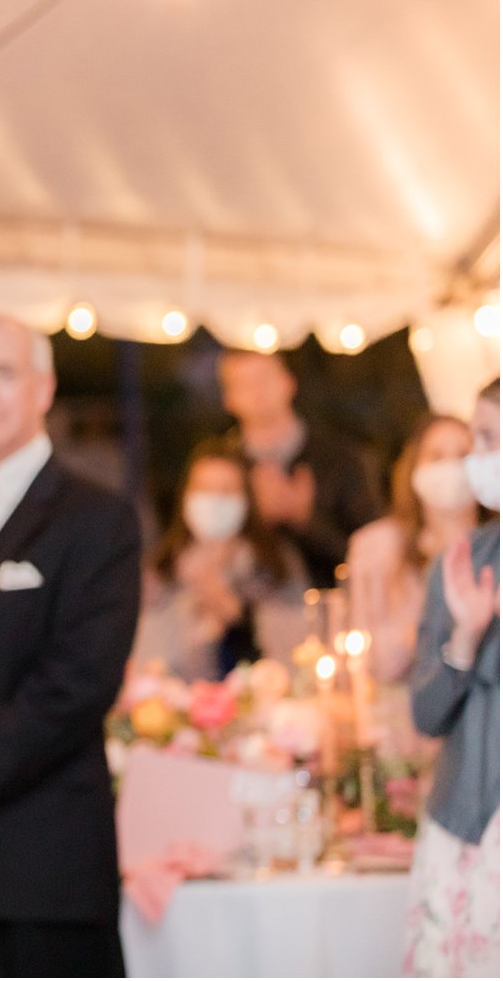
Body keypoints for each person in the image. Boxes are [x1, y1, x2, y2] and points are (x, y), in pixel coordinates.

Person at [0, 313, 142, 978]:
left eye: (2, 373)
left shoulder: (97, 517)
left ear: (43, 388)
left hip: (44, 863)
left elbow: (79, 679)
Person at [404, 377, 500, 978]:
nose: (476, 458)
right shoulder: (466, 560)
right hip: (464, 827)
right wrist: (464, 640)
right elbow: (424, 713)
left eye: (489, 439)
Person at [135, 441, 307, 679]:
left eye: (226, 491)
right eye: (204, 489)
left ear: (246, 499)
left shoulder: (275, 564)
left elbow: (295, 653)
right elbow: (144, 660)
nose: (214, 501)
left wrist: (238, 617)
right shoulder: (161, 569)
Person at [215, 349, 383, 588]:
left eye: (263, 379)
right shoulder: (221, 467)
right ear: (228, 398)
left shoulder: (340, 458)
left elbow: (373, 555)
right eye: (244, 384)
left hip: (332, 607)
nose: (257, 392)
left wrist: (305, 519)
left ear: (288, 382)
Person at [349, 414, 480, 684]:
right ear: (414, 468)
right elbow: (370, 659)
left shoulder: (493, 547)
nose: (451, 467)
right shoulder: (377, 547)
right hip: (403, 708)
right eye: (436, 456)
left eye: (463, 454)